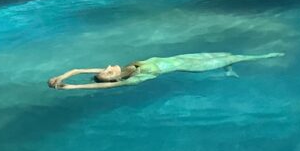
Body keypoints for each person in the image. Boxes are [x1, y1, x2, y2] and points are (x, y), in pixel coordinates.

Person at [47, 52, 284, 90]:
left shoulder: (127, 66)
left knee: (225, 55)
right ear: (114, 77)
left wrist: (64, 75)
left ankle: (230, 69)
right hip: (191, 66)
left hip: (185, 56)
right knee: (234, 58)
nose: (109, 67)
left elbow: (81, 69)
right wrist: (71, 87)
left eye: (107, 68)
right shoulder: (134, 78)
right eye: (109, 71)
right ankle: (265, 56)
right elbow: (103, 86)